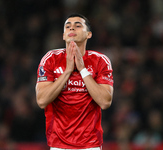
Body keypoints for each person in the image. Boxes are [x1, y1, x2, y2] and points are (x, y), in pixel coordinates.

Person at [35, 13, 114, 150]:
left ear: (88, 34)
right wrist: (67, 71)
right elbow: (41, 100)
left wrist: (83, 70)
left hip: (90, 144)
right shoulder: (50, 59)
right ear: (64, 35)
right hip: (58, 144)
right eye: (68, 26)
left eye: (77, 26)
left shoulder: (100, 61)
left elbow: (105, 102)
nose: (72, 29)